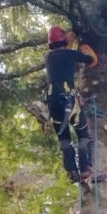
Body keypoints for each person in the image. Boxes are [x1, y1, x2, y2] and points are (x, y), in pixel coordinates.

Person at [44, 26, 99, 184]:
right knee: (83, 134)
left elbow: (64, 51)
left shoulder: (49, 57)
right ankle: (85, 170)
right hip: (69, 101)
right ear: (64, 41)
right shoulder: (69, 54)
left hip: (53, 102)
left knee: (64, 138)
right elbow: (92, 61)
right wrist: (86, 49)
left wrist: (71, 36)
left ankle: (72, 172)